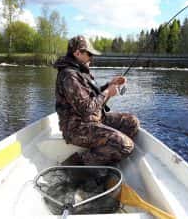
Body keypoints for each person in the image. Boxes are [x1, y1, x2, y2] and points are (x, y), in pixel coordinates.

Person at [54, 35, 140, 165]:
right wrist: (107, 93)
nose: (91, 58)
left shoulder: (80, 72)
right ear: (77, 53)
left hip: (95, 119)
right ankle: (74, 165)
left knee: (132, 122)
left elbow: (93, 96)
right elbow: (86, 108)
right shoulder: (69, 76)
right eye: (89, 54)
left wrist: (110, 84)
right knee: (126, 145)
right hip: (77, 128)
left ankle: (106, 156)